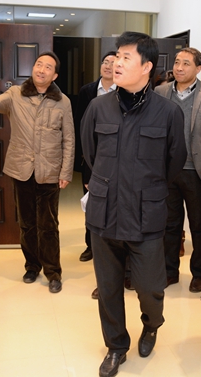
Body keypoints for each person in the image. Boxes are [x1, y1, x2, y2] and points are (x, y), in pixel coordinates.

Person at [81, 31, 186, 377]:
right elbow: (90, 154)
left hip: (146, 215)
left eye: (126, 57)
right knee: (108, 288)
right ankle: (116, 346)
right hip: (105, 213)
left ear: (146, 67)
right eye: (116, 56)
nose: (117, 63)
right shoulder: (98, 108)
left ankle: (152, 324)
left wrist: (145, 187)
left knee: (150, 288)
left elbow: (174, 163)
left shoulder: (168, 113)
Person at [0, 51, 75, 294]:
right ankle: (32, 266)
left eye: (48, 67)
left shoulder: (63, 101)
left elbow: (69, 139)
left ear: (54, 75)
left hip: (50, 171)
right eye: (39, 64)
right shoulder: (16, 94)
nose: (41, 69)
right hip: (21, 170)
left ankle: (53, 272)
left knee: (48, 225)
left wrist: (66, 172)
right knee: (27, 224)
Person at [154, 47, 201, 292]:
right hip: (167, 170)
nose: (179, 67)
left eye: (186, 63)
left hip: (196, 171)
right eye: (177, 62)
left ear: (198, 68)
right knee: (169, 225)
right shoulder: (161, 92)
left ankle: (199, 273)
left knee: (198, 224)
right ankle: (169, 272)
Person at [75, 51, 117, 263]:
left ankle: (112, 247)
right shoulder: (87, 91)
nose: (108, 66)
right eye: (105, 62)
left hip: (115, 157)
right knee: (92, 204)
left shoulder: (124, 90)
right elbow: (80, 126)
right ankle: (90, 245)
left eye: (113, 63)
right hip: (91, 156)